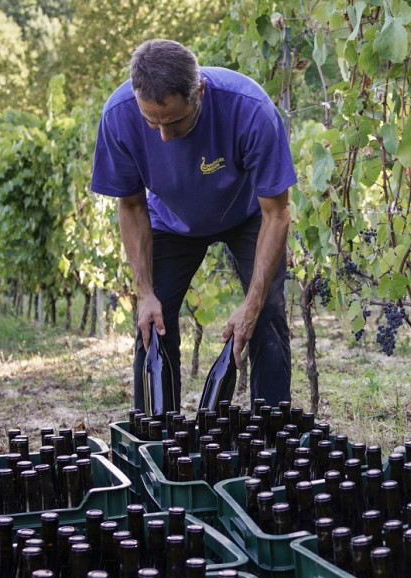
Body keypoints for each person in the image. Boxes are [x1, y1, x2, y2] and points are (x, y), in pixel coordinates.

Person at [91, 38, 296, 412]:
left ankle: (272, 436)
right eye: (151, 123)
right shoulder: (119, 115)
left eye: (175, 121)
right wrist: (144, 292)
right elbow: (133, 205)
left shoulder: (251, 110)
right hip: (171, 218)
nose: (164, 136)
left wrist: (250, 304)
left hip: (248, 214)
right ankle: (157, 435)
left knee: (266, 313)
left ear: (199, 90)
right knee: (153, 322)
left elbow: (277, 213)